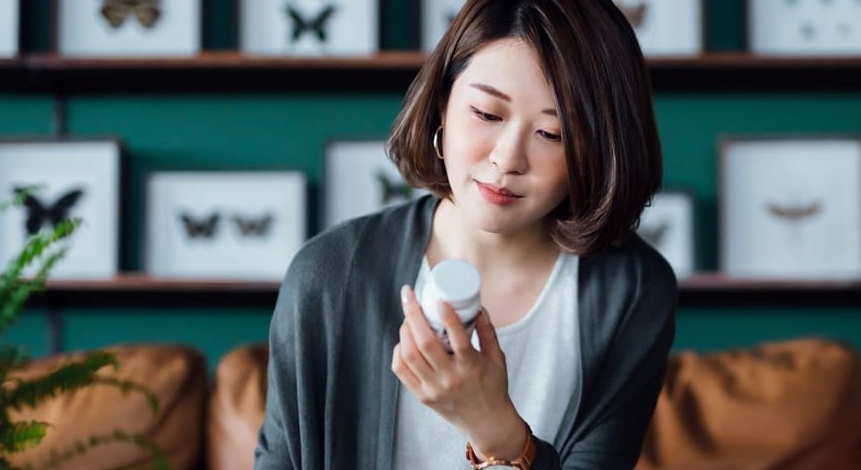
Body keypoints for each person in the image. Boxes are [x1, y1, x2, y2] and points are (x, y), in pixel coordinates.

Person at [253, 0, 675, 468]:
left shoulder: (632, 290)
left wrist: (496, 429)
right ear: (441, 106)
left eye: (552, 134)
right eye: (487, 114)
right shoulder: (329, 276)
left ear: (599, 151)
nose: (507, 159)